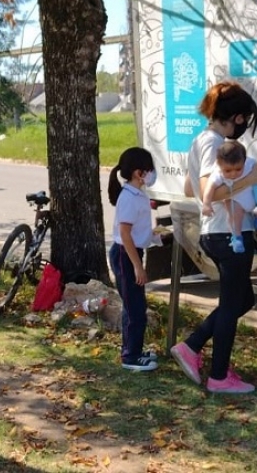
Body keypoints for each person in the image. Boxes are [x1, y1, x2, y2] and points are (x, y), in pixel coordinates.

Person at [171, 80, 257, 394]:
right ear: (237, 117)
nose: (244, 127)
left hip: (219, 231)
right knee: (231, 303)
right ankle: (219, 375)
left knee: (243, 299)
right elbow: (214, 189)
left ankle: (193, 346)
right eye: (245, 121)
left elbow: (189, 187)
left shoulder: (201, 141)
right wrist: (250, 178)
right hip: (228, 231)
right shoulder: (215, 144)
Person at [107, 147, 160, 372]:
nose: (152, 174)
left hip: (132, 253)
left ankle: (134, 349)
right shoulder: (129, 197)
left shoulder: (138, 194)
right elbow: (125, 233)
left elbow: (137, 231)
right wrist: (138, 267)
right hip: (125, 256)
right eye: (149, 170)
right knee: (135, 308)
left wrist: (155, 236)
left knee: (136, 305)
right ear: (139, 173)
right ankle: (130, 356)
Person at [201, 140, 257, 253]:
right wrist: (206, 204)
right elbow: (209, 188)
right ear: (219, 164)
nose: (233, 174)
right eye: (228, 170)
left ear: (244, 161)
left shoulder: (250, 163)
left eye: (238, 169)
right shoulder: (218, 173)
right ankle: (236, 237)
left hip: (252, 195)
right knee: (235, 215)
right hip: (236, 200)